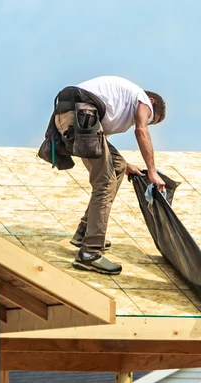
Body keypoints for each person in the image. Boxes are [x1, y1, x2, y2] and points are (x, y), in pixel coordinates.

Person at [53, 75, 166, 275]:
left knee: (118, 166)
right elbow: (141, 131)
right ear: (152, 102)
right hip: (80, 115)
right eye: (152, 119)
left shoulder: (119, 105)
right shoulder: (142, 99)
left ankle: (84, 232)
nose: (148, 121)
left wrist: (125, 164)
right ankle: (90, 253)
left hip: (72, 118)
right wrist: (152, 171)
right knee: (104, 183)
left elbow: (100, 143)